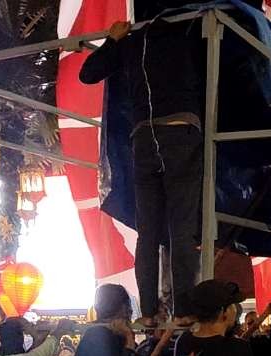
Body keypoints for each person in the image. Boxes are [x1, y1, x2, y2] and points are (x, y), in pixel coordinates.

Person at [79, 17, 205, 327]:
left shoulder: (130, 41)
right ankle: (185, 309)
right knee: (181, 228)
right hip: (181, 131)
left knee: (147, 232)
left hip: (144, 139)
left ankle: (148, 313)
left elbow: (88, 74)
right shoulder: (189, 28)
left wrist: (113, 41)